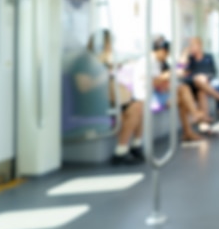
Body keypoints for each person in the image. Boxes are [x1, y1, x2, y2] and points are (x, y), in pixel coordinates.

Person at [71, 29, 144, 166]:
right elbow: (83, 87)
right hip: (96, 105)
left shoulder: (100, 62)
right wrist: (104, 74)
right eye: (109, 44)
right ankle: (121, 152)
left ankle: (136, 145)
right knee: (135, 109)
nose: (111, 48)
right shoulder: (84, 62)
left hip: (113, 102)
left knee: (140, 106)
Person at [150, 39, 209, 143]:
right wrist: (169, 75)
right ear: (162, 51)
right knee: (184, 91)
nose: (167, 57)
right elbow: (155, 82)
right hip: (153, 98)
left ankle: (189, 130)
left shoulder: (158, 62)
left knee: (184, 93)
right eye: (167, 54)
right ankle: (194, 116)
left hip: (161, 93)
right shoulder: (151, 62)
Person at [180, 37, 219, 120]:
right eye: (190, 46)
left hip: (205, 84)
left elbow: (213, 72)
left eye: (193, 46)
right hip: (192, 85)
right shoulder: (189, 58)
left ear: (199, 46)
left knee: (202, 92)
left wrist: (206, 77)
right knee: (198, 81)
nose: (192, 48)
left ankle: (205, 122)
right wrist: (185, 54)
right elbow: (182, 73)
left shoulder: (208, 57)